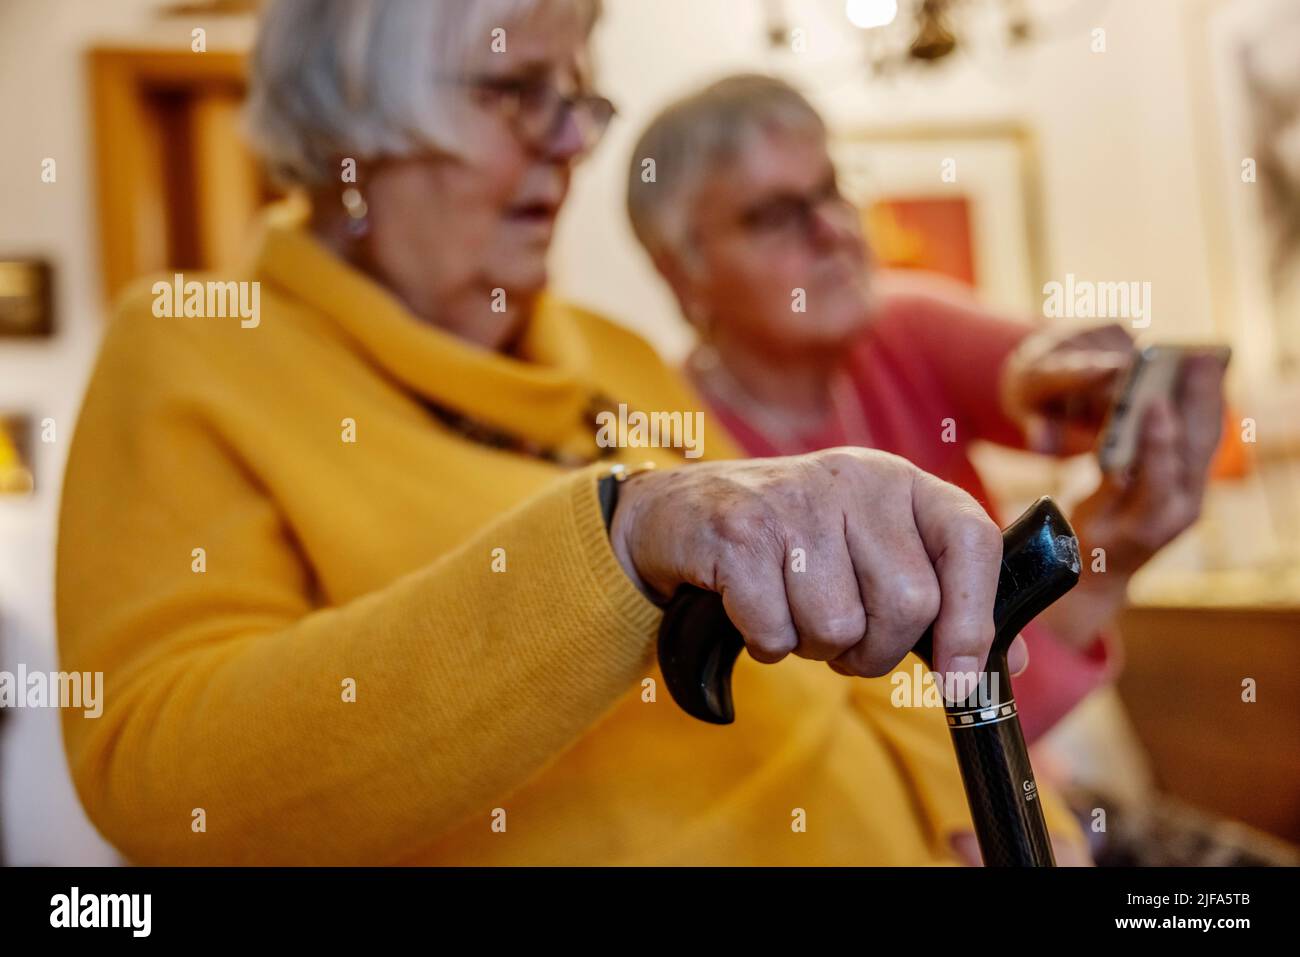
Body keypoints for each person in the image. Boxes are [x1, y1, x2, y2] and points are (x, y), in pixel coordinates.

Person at [59, 0, 1079, 865]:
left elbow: (844, 684)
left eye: (575, 97)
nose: (570, 141)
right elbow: (159, 776)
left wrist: (997, 816)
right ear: (351, 125)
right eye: (513, 92)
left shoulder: (613, 354)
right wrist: (616, 540)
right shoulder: (194, 348)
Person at [625, 74, 1226, 779]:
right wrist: (1096, 571)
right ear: (682, 274)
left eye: (830, 191)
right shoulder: (670, 455)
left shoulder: (903, 328)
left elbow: (1039, 374)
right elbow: (857, 763)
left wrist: (1079, 380)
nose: (833, 230)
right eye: (774, 215)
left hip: (1021, 759)